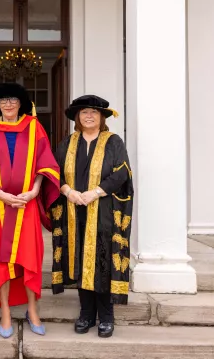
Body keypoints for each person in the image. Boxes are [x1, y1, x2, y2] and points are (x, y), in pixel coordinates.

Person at [0, 83, 60, 338]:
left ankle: (32, 309)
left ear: (20, 103)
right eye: (3, 100)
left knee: (29, 257)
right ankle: (5, 311)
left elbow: (45, 161)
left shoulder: (34, 127)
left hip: (26, 206)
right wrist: (0, 193)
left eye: (13, 99)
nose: (8, 104)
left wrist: (36, 190)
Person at [51, 95, 133, 338]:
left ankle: (106, 316)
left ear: (102, 117)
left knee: (102, 262)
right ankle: (86, 314)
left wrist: (95, 193)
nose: (89, 116)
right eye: (84, 112)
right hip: (75, 211)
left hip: (104, 211)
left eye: (94, 113)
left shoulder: (113, 142)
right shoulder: (67, 143)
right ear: (77, 117)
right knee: (79, 261)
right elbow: (54, 172)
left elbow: (122, 172)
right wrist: (68, 191)